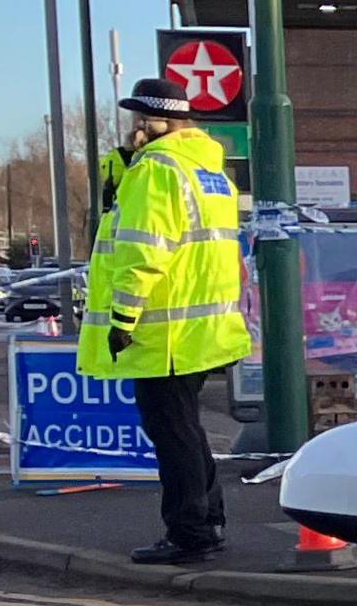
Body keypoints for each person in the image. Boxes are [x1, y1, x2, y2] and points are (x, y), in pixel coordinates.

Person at [79, 78, 251, 565]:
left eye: (139, 121)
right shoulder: (209, 169)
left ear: (157, 123)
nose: (134, 131)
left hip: (164, 331)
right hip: (202, 327)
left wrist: (123, 318)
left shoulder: (156, 170)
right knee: (186, 429)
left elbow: (143, 251)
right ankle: (206, 520)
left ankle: (189, 532)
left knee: (172, 433)